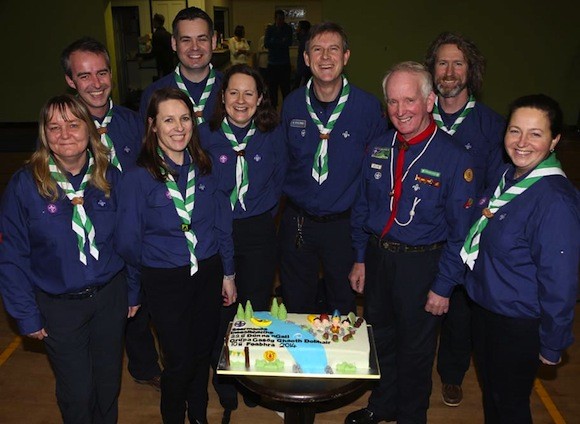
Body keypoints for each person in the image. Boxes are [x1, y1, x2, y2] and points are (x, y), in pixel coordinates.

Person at [346, 61, 475, 424]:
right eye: (392, 102)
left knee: (415, 352)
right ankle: (382, 403)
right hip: (379, 257)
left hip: (423, 266)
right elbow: (363, 207)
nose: (400, 111)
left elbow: (460, 233)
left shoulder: (454, 159)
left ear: (430, 100)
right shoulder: (378, 147)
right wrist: (360, 258)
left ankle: (410, 415)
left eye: (409, 100)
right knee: (381, 339)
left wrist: (444, 285)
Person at [0, 94, 140, 423]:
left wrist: (133, 290)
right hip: (59, 306)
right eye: (54, 127)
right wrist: (26, 313)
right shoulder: (26, 184)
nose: (64, 133)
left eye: (73, 124)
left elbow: (129, 241)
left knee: (107, 385)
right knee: (77, 390)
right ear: (44, 134)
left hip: (110, 297)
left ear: (89, 130)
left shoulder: (110, 178)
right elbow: (12, 255)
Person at [115, 87, 236, 424]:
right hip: (165, 279)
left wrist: (229, 273)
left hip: (208, 272)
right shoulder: (138, 178)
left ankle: (198, 414)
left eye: (184, 118)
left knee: (201, 352)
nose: (179, 127)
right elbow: (127, 241)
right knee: (179, 359)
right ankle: (173, 416)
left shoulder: (205, 167)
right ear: (152, 125)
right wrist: (134, 289)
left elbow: (221, 225)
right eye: (168, 119)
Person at [461, 94, 579, 423]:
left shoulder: (555, 200)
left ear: (555, 140)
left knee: (510, 407)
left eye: (535, 133)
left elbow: (561, 282)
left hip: (518, 325)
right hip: (486, 312)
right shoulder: (508, 179)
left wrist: (552, 342)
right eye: (515, 131)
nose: (522, 142)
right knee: (494, 401)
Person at [61, 36, 162, 391]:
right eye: (85, 76)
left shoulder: (135, 123)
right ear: (71, 81)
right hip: (95, 235)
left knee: (143, 303)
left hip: (139, 231)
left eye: (102, 72)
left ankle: (144, 364)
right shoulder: (65, 131)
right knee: (109, 309)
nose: (96, 83)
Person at [279, 22, 386, 315]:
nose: (325, 57)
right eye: (317, 49)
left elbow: (377, 177)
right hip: (299, 222)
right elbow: (282, 162)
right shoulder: (291, 105)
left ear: (346, 56)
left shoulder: (368, 108)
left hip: (345, 225)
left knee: (343, 305)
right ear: (305, 58)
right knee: (296, 304)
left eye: (333, 49)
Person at [200, 63, 286, 424]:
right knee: (222, 308)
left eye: (249, 93)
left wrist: (263, 222)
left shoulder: (272, 133)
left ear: (261, 98)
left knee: (256, 309)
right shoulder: (206, 134)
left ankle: (252, 380)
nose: (240, 100)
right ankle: (224, 380)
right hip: (218, 231)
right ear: (222, 97)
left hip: (258, 231)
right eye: (233, 92)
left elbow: (279, 181)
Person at [424, 31, 506, 407]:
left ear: (470, 71)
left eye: (458, 63)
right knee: (419, 312)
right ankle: (416, 371)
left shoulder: (491, 125)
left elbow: (497, 187)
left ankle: (452, 375)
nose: (450, 71)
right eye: (443, 62)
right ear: (433, 69)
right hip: (421, 234)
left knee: (458, 316)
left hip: (466, 239)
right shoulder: (416, 115)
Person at [139, 6, 222, 126]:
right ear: (174, 43)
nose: (194, 47)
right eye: (186, 40)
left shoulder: (232, 91)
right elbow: (147, 142)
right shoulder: (153, 94)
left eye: (202, 39)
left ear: (213, 41)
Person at [264, 10, 293, 108]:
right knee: (272, 89)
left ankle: (287, 108)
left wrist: (275, 41)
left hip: (284, 63)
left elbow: (289, 42)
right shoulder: (270, 29)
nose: (281, 21)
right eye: (279, 19)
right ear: (275, 19)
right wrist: (280, 41)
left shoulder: (288, 29)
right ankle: (273, 109)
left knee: (286, 89)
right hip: (273, 63)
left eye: (282, 19)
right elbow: (267, 44)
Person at [151, 13, 175, 77]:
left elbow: (155, 50)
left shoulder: (156, 35)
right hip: (169, 62)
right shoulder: (168, 34)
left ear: (157, 22)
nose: (152, 23)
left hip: (161, 62)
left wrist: (144, 57)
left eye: (153, 21)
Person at [292, 20, 311, 90]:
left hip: (303, 72)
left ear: (302, 30)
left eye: (298, 28)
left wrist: (302, 72)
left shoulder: (305, 42)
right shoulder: (305, 40)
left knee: (299, 90)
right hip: (303, 71)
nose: (296, 30)